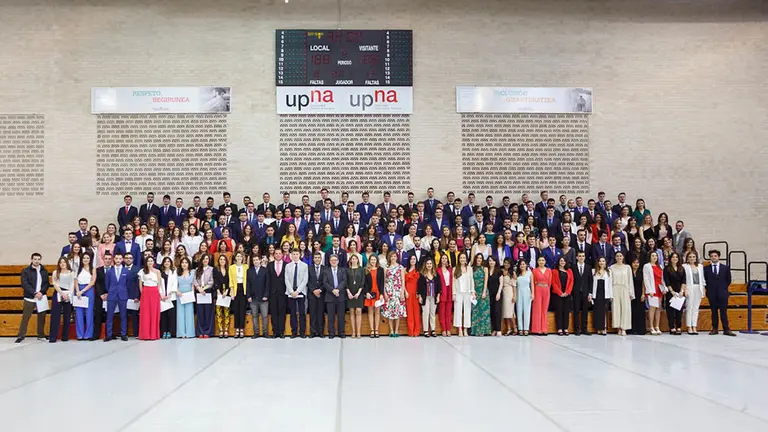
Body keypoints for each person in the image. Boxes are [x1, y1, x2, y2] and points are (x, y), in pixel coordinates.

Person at [704, 249, 735, 336]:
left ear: (719, 257)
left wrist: (723, 289)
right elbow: (705, 281)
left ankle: (726, 329)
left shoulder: (725, 268)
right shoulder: (706, 269)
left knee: (723, 312)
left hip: (723, 293)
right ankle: (714, 328)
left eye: (715, 256)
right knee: (714, 312)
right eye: (712, 256)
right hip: (711, 293)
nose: (713, 257)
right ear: (710, 258)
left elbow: (728, 280)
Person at [49, 257, 74, 343]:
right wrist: (62, 293)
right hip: (58, 293)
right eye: (61, 262)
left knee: (67, 316)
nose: (62, 264)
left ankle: (65, 336)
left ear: (67, 263)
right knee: (55, 315)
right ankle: (53, 337)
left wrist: (68, 295)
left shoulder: (71, 272)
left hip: (68, 294)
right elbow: (55, 284)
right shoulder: (55, 272)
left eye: (64, 262)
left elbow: (72, 284)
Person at [104, 252, 129, 341]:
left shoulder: (126, 271)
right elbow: (107, 284)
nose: (118, 260)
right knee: (109, 315)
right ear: (114, 259)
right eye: (116, 258)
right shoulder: (109, 271)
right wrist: (110, 291)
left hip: (123, 295)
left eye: (120, 259)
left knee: (123, 315)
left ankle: (123, 334)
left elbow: (128, 284)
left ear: (122, 260)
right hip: (112, 295)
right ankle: (109, 334)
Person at [382, 251, 407, 337]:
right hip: (389, 290)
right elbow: (384, 281)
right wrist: (385, 292)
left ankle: (396, 330)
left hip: (398, 290)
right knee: (390, 310)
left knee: (397, 311)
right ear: (389, 257)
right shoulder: (386, 267)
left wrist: (402, 292)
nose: (393, 258)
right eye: (391, 256)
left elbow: (403, 280)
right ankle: (391, 331)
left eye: (394, 256)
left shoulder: (401, 267)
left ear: (397, 257)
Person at [285, 250, 309, 338]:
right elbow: (286, 279)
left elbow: (305, 280)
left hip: (301, 291)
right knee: (293, 313)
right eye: (294, 254)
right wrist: (291, 291)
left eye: (297, 254)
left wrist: (298, 291)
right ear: (291, 255)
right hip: (291, 292)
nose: (295, 256)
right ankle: (294, 331)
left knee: (302, 312)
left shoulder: (304, 266)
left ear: (300, 255)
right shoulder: (288, 266)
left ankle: (302, 332)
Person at [137, 256, 162, 340]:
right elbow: (140, 284)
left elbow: (159, 283)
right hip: (146, 292)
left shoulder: (157, 271)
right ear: (146, 262)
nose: (150, 262)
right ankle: (145, 334)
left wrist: (158, 293)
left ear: (154, 262)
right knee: (145, 313)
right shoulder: (142, 271)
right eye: (148, 261)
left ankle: (153, 334)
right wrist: (143, 293)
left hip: (155, 292)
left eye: (151, 261)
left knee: (154, 312)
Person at [323, 254, 347, 339]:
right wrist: (333, 290)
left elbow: (344, 281)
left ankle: (341, 332)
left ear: (338, 261)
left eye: (335, 260)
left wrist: (338, 289)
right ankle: (331, 332)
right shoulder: (326, 271)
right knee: (330, 316)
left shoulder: (342, 270)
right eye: (332, 260)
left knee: (341, 316)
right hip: (330, 296)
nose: (334, 261)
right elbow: (325, 282)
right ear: (329, 261)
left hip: (340, 296)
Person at [609, 252, 633, 336]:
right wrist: (610, 293)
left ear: (623, 257)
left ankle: (624, 328)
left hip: (625, 288)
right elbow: (610, 281)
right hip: (615, 289)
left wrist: (631, 292)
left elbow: (630, 280)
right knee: (616, 308)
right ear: (615, 257)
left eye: (620, 256)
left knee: (625, 309)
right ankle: (618, 327)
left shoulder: (627, 267)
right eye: (617, 256)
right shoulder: (611, 268)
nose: (619, 257)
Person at [73, 252, 96, 340]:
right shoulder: (77, 269)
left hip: (88, 290)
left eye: (87, 258)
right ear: (81, 259)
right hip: (79, 290)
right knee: (79, 312)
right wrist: (78, 291)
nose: (86, 260)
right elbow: (75, 281)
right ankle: (80, 334)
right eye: (84, 258)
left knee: (89, 312)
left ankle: (88, 334)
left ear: (90, 259)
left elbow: (92, 282)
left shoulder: (93, 269)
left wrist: (83, 291)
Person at [417, 257, 441, 337]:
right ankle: (426, 330)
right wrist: (420, 296)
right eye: (427, 264)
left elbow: (439, 287)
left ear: (432, 265)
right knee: (425, 313)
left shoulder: (436, 275)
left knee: (432, 313)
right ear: (425, 265)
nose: (429, 265)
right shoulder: (422, 275)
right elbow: (419, 287)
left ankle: (433, 330)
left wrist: (438, 296)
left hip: (433, 297)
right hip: (425, 297)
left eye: (430, 263)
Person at [682, 251, 705, 335]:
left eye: (693, 257)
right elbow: (683, 279)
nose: (692, 258)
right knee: (689, 307)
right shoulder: (684, 266)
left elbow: (702, 279)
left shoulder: (700, 266)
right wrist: (684, 289)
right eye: (690, 257)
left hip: (698, 288)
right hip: (689, 288)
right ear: (687, 258)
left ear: (696, 258)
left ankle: (694, 326)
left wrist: (703, 289)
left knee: (696, 308)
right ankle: (689, 326)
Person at [247, 254, 269, 338]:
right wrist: (248, 296)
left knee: (264, 316)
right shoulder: (249, 271)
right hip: (253, 298)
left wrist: (266, 295)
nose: (255, 261)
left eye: (257, 260)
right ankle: (256, 332)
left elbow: (267, 284)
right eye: (254, 260)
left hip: (263, 297)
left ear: (260, 260)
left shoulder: (265, 270)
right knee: (254, 315)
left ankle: (265, 332)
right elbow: (248, 284)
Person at [643, 251, 665, 335]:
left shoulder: (660, 266)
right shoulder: (647, 266)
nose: (655, 257)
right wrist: (649, 290)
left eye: (656, 256)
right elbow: (646, 279)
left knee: (658, 308)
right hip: (652, 289)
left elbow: (662, 279)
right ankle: (651, 326)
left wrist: (664, 288)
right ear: (649, 257)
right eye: (653, 256)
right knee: (652, 308)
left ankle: (657, 326)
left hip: (659, 289)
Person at [663, 252, 685, 335]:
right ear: (670, 259)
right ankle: (672, 327)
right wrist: (672, 291)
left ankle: (678, 326)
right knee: (670, 311)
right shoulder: (667, 268)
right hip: (671, 292)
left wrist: (681, 291)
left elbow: (684, 281)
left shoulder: (681, 268)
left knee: (679, 310)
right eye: (673, 257)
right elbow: (667, 281)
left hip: (680, 292)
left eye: (676, 257)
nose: (675, 258)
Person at [227, 252, 248, 338]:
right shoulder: (231, 267)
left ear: (242, 258)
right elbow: (231, 280)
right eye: (237, 256)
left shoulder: (246, 266)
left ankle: (242, 329)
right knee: (236, 310)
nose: (239, 257)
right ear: (235, 258)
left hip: (243, 289)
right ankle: (236, 329)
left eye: (240, 256)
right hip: (235, 289)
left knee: (242, 310)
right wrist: (232, 292)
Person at [453, 253, 474, 337]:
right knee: (458, 311)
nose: (462, 259)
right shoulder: (455, 269)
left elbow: (472, 280)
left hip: (467, 293)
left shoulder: (469, 269)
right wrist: (454, 293)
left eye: (464, 258)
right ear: (458, 259)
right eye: (461, 258)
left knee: (467, 311)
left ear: (466, 259)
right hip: (458, 293)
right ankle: (459, 329)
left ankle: (465, 329)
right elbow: (453, 282)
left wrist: (473, 291)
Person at [194, 254, 215, 338]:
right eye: (204, 259)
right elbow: (195, 280)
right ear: (201, 260)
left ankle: (207, 332)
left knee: (208, 312)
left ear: (209, 260)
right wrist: (199, 288)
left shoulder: (212, 269)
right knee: (200, 312)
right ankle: (200, 332)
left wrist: (204, 288)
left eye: (207, 259)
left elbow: (212, 281)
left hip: (207, 292)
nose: (205, 260)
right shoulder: (197, 269)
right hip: (199, 292)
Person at [267, 249, 287, 338]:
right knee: (274, 312)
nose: (278, 255)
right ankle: (275, 331)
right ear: (274, 255)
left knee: (282, 312)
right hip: (272, 292)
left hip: (283, 292)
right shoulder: (270, 265)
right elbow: (268, 279)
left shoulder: (286, 265)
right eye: (276, 253)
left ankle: (281, 331)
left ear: (282, 255)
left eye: (279, 253)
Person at [571, 251, 592, 335]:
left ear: (585, 257)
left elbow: (590, 281)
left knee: (585, 311)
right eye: (579, 256)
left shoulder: (588, 267)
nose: (581, 257)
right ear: (577, 257)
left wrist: (590, 293)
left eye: (583, 256)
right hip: (576, 292)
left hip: (585, 293)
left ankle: (584, 329)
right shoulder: (573, 267)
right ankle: (576, 329)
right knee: (576, 311)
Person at [551, 256, 573, 335]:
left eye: (564, 261)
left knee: (566, 311)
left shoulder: (569, 271)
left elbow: (571, 282)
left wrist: (567, 292)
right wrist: (560, 293)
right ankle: (559, 328)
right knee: (559, 311)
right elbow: (553, 283)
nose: (562, 262)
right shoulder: (554, 271)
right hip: (557, 294)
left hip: (567, 294)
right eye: (561, 261)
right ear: (558, 262)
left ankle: (565, 328)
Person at [363, 254, 383, 338]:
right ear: (369, 261)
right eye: (371, 260)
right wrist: (366, 292)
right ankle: (372, 330)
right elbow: (365, 283)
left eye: (374, 260)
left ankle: (376, 330)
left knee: (377, 312)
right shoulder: (366, 270)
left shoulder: (380, 270)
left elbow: (382, 282)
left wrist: (381, 294)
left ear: (377, 261)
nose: (373, 261)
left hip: (378, 293)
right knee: (370, 312)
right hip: (369, 293)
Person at [345, 254, 365, 338]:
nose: (354, 260)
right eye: (352, 259)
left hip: (359, 292)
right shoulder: (347, 270)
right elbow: (345, 282)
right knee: (352, 311)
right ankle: (353, 331)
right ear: (350, 260)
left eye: (355, 258)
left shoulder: (361, 269)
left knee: (358, 311)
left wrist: (358, 293)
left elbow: (363, 281)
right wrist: (348, 292)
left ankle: (358, 332)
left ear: (358, 260)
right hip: (350, 292)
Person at [174, 258, 195, 339]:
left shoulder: (192, 272)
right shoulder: (177, 272)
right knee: (180, 313)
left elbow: (193, 284)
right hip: (180, 294)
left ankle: (189, 333)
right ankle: (181, 333)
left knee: (189, 313)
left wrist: (192, 293)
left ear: (189, 264)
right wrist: (177, 291)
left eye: (186, 262)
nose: (184, 264)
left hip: (189, 294)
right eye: (182, 262)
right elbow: (174, 283)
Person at [531, 256, 552, 335]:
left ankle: (544, 328)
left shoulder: (549, 270)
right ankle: (537, 329)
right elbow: (533, 282)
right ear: (537, 262)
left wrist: (547, 289)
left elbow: (550, 282)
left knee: (544, 309)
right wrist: (533, 293)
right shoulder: (534, 271)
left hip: (546, 290)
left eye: (543, 260)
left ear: (545, 261)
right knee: (537, 309)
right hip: (538, 289)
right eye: (539, 260)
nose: (541, 262)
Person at [591, 257, 612, 336]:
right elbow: (592, 283)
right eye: (600, 261)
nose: (601, 262)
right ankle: (598, 328)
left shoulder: (609, 271)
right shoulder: (593, 271)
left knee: (604, 311)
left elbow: (610, 284)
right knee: (597, 311)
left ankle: (604, 328)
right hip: (597, 293)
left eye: (603, 261)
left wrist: (611, 295)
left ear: (605, 262)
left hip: (605, 293)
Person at [308, 252, 326, 338]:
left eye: (319, 257)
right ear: (313, 259)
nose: (317, 259)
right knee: (312, 313)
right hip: (312, 294)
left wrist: (320, 290)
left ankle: (321, 331)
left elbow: (326, 281)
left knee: (320, 313)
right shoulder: (309, 268)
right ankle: (313, 331)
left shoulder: (325, 268)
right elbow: (307, 281)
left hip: (321, 294)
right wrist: (313, 290)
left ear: (321, 259)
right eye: (315, 257)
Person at [404, 255, 422, 337]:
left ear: (416, 260)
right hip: (408, 292)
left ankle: (417, 331)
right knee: (409, 312)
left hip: (416, 293)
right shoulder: (405, 270)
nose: (412, 260)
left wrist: (419, 293)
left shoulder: (419, 270)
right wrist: (405, 292)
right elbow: (403, 282)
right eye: (411, 259)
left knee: (416, 312)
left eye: (414, 259)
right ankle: (411, 331)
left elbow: (421, 283)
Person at [213, 255, 231, 338]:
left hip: (226, 292)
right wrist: (218, 291)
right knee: (219, 312)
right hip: (218, 293)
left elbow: (230, 281)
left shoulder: (228, 269)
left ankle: (226, 330)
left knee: (226, 312)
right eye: (221, 259)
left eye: (224, 259)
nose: (222, 260)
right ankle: (221, 330)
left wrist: (227, 291)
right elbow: (215, 280)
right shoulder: (215, 269)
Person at [437, 254, 454, 336]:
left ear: (447, 260)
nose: (444, 260)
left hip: (449, 291)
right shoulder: (438, 270)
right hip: (442, 291)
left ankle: (448, 329)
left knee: (448, 312)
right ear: (440, 260)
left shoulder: (450, 270)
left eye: (445, 258)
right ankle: (443, 329)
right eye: (443, 258)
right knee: (442, 312)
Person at [486, 256, 503, 336]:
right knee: (492, 311)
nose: (491, 262)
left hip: (497, 294)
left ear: (496, 262)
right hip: (489, 294)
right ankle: (494, 329)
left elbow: (501, 283)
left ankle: (499, 329)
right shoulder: (487, 270)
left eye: (493, 261)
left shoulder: (499, 271)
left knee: (497, 311)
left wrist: (499, 293)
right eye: (490, 261)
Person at [500, 258, 517, 336]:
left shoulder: (512, 273)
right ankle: (508, 328)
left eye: (508, 263)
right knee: (505, 312)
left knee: (510, 312)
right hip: (503, 292)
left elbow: (514, 285)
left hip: (510, 292)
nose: (506, 264)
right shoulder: (501, 271)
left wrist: (514, 296)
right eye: (505, 262)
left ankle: (514, 328)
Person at [630, 258, 646, 335]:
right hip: (631, 293)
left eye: (637, 263)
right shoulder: (629, 272)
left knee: (640, 312)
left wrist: (643, 294)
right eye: (634, 262)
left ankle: (640, 330)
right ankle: (632, 329)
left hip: (640, 293)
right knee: (632, 311)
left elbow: (643, 284)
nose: (636, 264)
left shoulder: (641, 272)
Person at [515, 260, 532, 336]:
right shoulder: (517, 274)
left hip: (527, 292)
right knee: (519, 310)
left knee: (527, 311)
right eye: (521, 264)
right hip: (519, 292)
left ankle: (526, 328)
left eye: (523, 264)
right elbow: (514, 284)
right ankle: (520, 328)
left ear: (526, 265)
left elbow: (532, 284)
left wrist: (533, 294)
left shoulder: (530, 273)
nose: (522, 265)